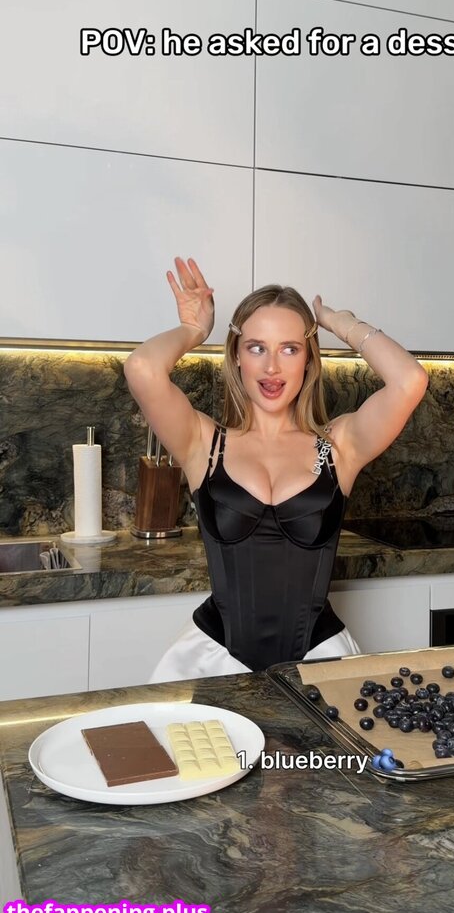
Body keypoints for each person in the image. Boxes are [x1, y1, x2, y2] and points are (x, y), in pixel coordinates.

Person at [124, 257, 428, 679]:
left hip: (320, 658)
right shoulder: (203, 443)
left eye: (290, 348)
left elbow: (410, 381)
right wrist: (193, 330)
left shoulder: (337, 447)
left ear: (308, 359)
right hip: (215, 659)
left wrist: (341, 323)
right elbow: (141, 368)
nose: (272, 367)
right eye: (256, 348)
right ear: (237, 356)